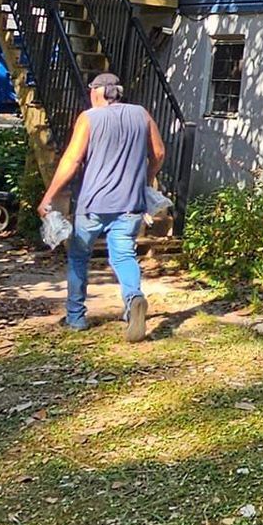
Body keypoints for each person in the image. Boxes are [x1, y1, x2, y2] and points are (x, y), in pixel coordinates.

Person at [39, 72, 166, 342]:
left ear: (97, 92)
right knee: (123, 256)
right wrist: (145, 180)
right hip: (130, 204)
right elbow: (159, 153)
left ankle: (76, 317)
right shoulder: (141, 114)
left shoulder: (89, 118)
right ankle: (133, 298)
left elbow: (72, 160)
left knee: (79, 256)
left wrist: (49, 196)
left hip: (93, 205)